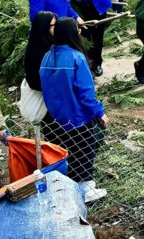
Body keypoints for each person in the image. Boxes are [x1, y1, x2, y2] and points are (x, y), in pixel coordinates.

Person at [39, 17, 109, 203]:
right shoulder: (76, 57)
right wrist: (99, 112)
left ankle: (69, 184)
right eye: (77, 29)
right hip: (77, 115)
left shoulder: (47, 56)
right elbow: (85, 92)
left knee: (67, 151)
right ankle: (85, 189)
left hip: (55, 116)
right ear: (72, 32)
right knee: (85, 149)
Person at [24, 11, 56, 92]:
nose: (56, 28)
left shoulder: (51, 42)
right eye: (53, 25)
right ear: (43, 27)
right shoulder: (39, 50)